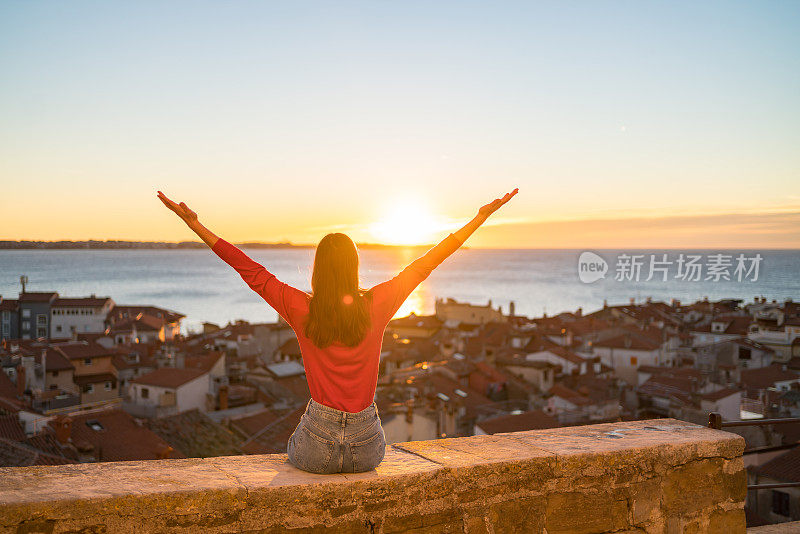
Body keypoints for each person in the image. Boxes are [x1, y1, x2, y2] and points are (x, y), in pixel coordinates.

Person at [157, 187, 518, 473]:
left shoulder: (300, 309)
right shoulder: (377, 305)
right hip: (367, 446)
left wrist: (195, 226)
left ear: (318, 268)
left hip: (317, 442)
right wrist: (479, 219)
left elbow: (249, 269)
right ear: (354, 266)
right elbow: (427, 263)